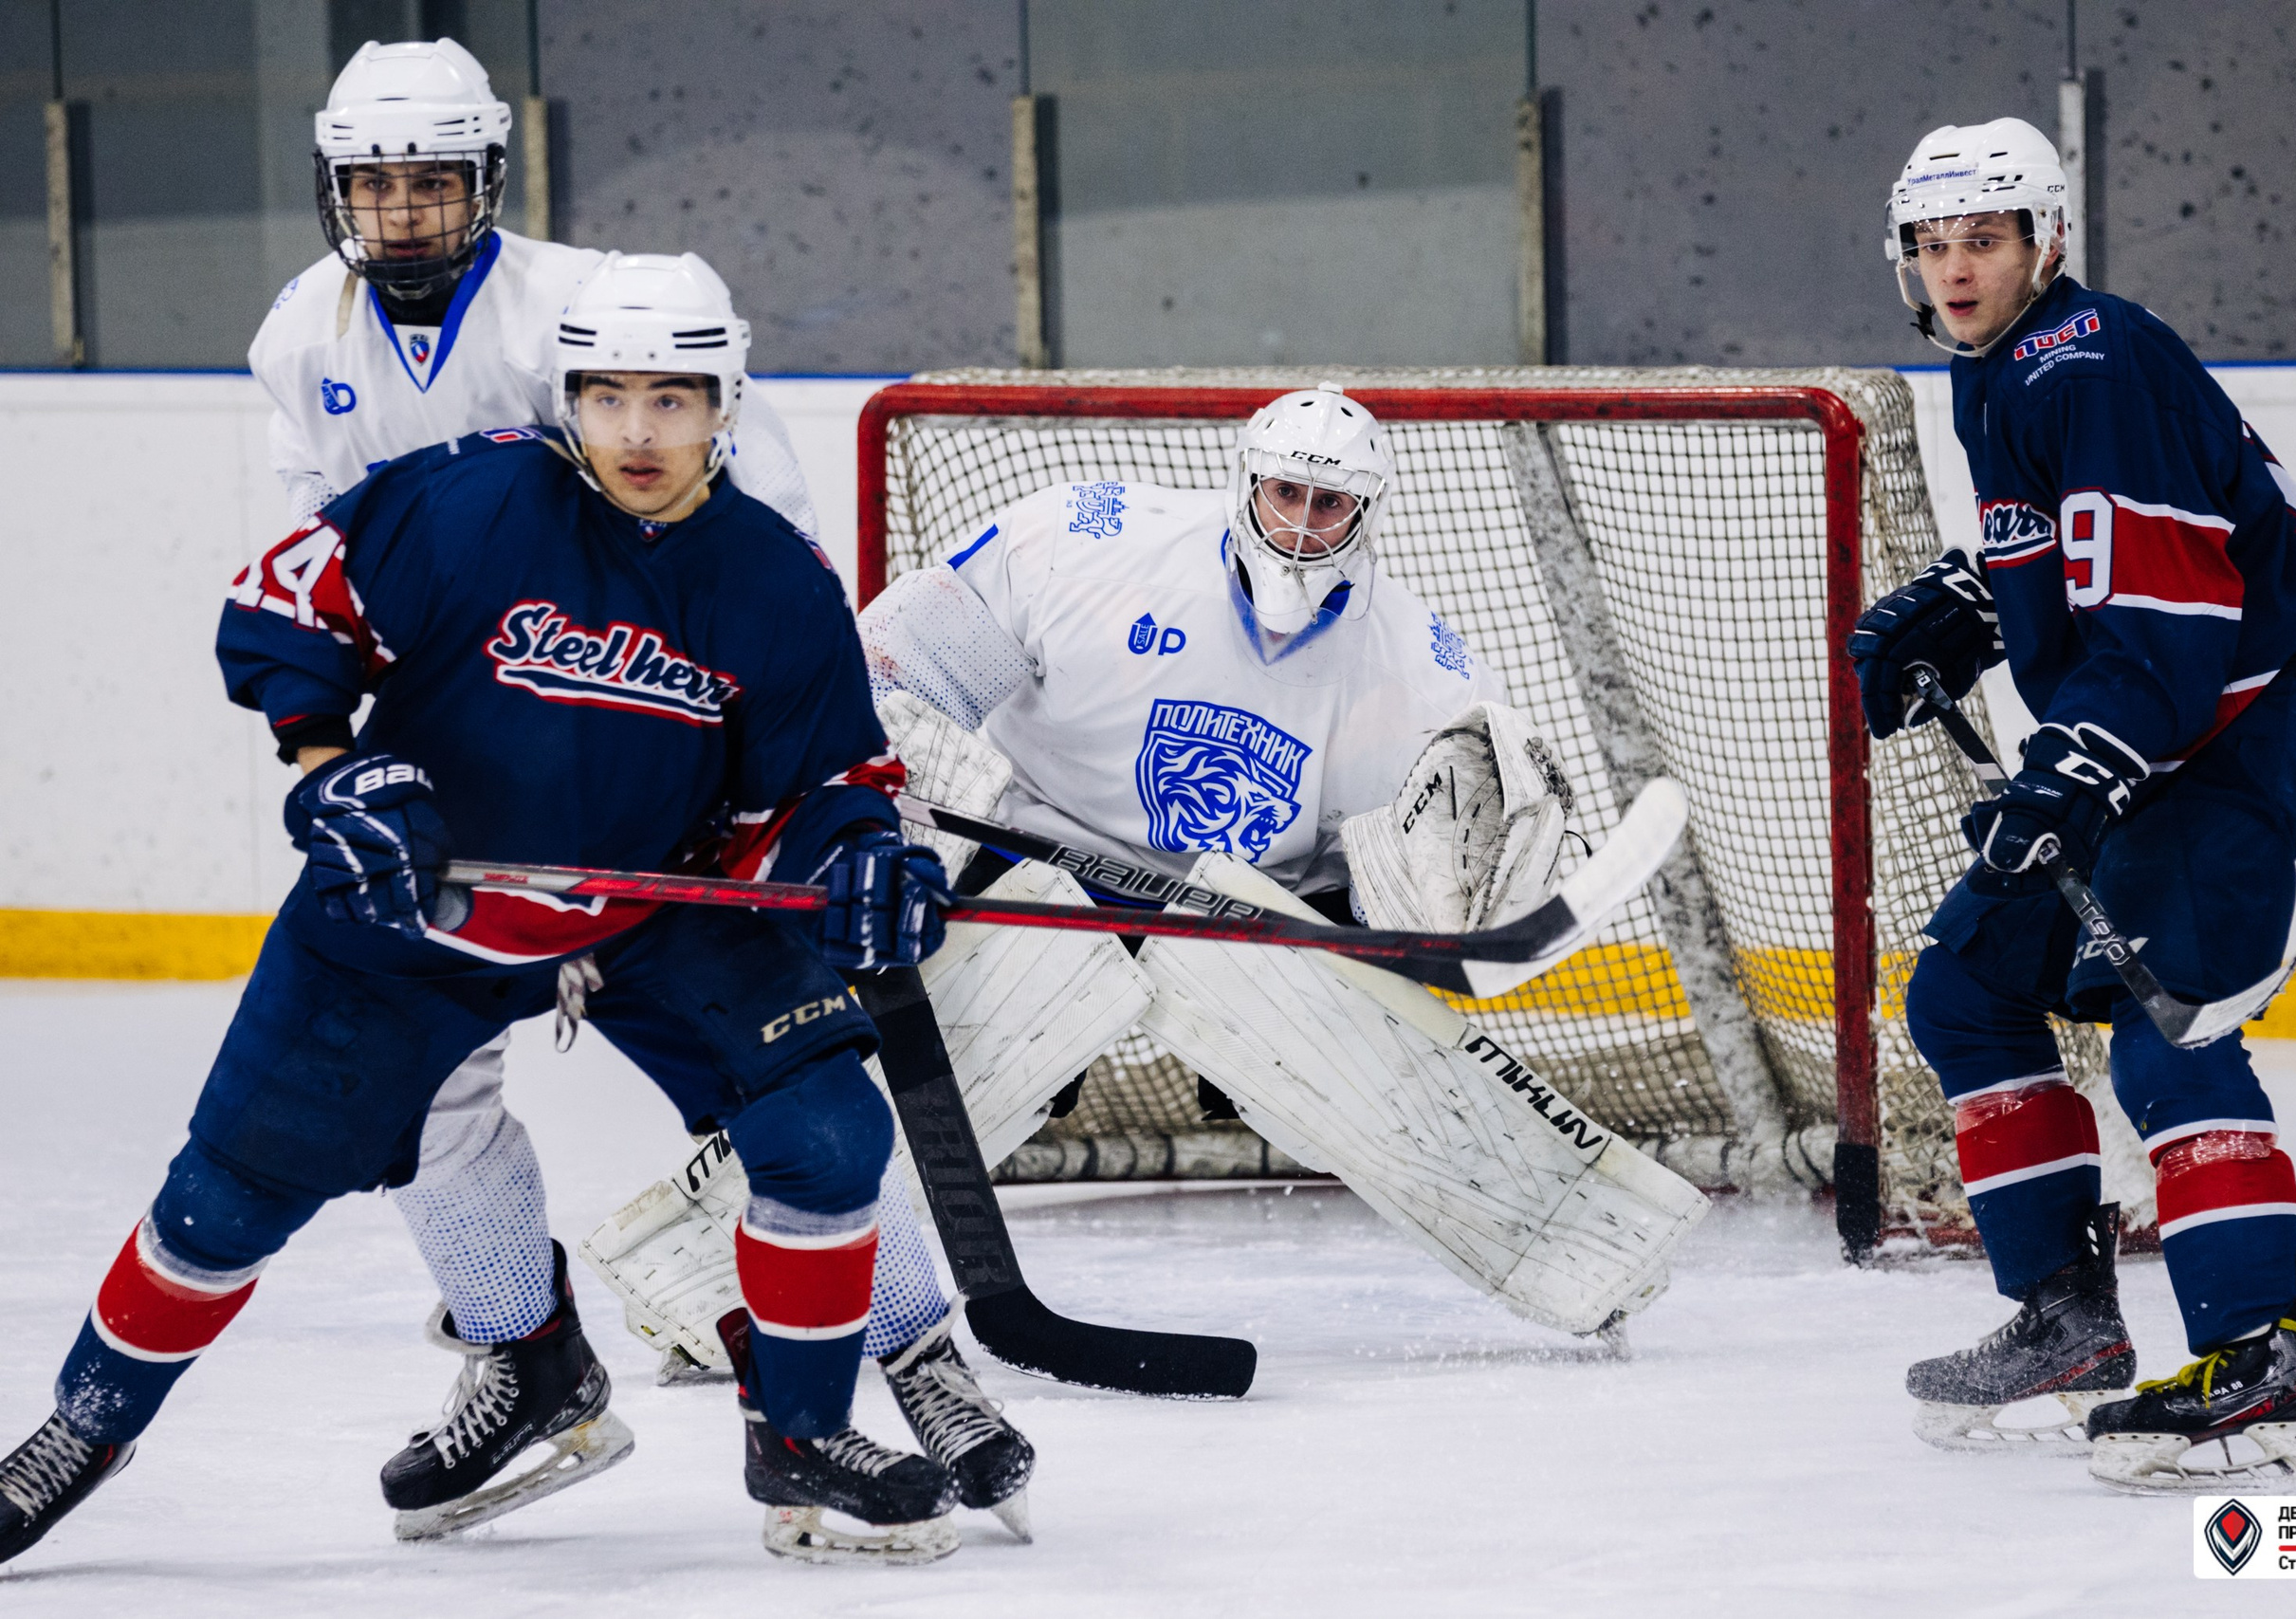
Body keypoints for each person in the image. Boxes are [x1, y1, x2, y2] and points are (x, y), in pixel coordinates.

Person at [0, 252, 968, 1569]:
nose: (637, 430)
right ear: (565, 391)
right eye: (608, 393)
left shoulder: (774, 576)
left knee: (825, 1127)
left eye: (673, 399)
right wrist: (329, 763)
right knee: (225, 1200)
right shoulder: (470, 498)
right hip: (412, 903)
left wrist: (863, 855)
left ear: (725, 400)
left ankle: (798, 1432)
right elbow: (287, 607)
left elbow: (831, 777)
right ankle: (82, 1425)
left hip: (645, 900)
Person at [248, 37, 1029, 1542]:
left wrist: (726, 803)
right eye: (372, 183)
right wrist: (369, 773)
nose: (402, 213)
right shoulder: (302, 334)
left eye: (431, 180)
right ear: (335, 186)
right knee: (415, 1089)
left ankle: (914, 1350)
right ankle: (523, 1355)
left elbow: (766, 557)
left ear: (488, 178)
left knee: (793, 1074)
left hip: (681, 772)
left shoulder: (603, 311)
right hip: (469, 792)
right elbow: (322, 569)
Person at [587, 385, 1710, 1384]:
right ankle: (699, 1289)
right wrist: (890, 817)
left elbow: (1383, 893)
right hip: (1023, 870)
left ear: (1368, 516)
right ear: (1244, 483)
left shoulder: (1421, 671)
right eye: (1284, 495)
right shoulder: (1085, 542)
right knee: (897, 1075)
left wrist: (1428, 911)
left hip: (1230, 918)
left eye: (1330, 507)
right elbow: (889, 677)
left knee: (1382, 1061)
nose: (1302, 524)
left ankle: (1585, 1252)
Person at [1849, 118, 2296, 1493]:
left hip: (2242, 720)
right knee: (1965, 988)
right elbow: (2076, 550)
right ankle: (2068, 1320)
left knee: (2160, 1012)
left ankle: (2261, 1354)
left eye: (1984, 240)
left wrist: (2077, 767)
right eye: (1933, 244)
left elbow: (2170, 606)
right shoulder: (2007, 367)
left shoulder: (2094, 354)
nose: (1955, 268)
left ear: (2045, 242)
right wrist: (1974, 602)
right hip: (2153, 724)